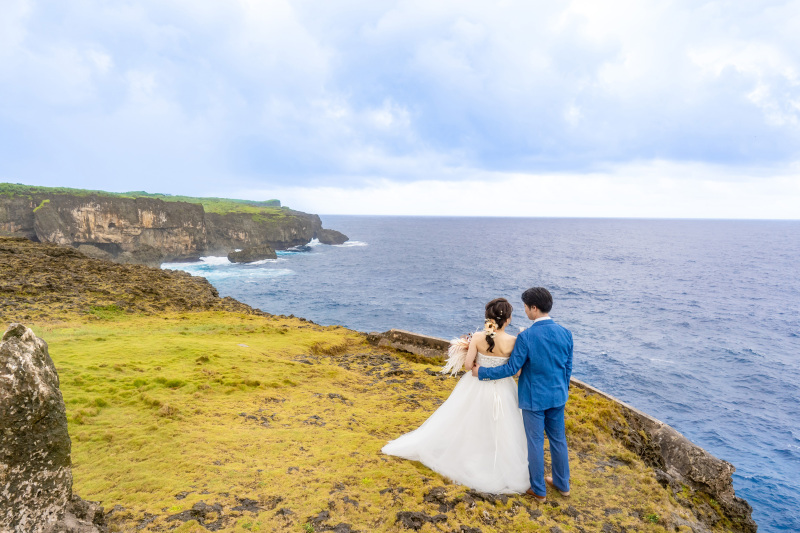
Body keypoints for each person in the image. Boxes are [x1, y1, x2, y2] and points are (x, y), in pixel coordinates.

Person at [381, 298, 529, 494]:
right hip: (503, 389)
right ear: (508, 320)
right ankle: (493, 460)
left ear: (488, 318)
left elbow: (468, 366)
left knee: (467, 421)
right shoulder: (514, 341)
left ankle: (466, 455)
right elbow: (516, 372)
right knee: (501, 426)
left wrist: (478, 362)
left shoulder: (477, 337)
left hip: (475, 385)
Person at [472, 287, 573, 503]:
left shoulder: (526, 337)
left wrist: (482, 372)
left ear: (534, 308)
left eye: (526, 307)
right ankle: (563, 484)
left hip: (533, 398)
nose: (525, 311)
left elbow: (511, 369)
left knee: (535, 442)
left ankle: (539, 490)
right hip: (558, 395)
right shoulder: (566, 333)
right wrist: (562, 389)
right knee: (558, 440)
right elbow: (567, 367)